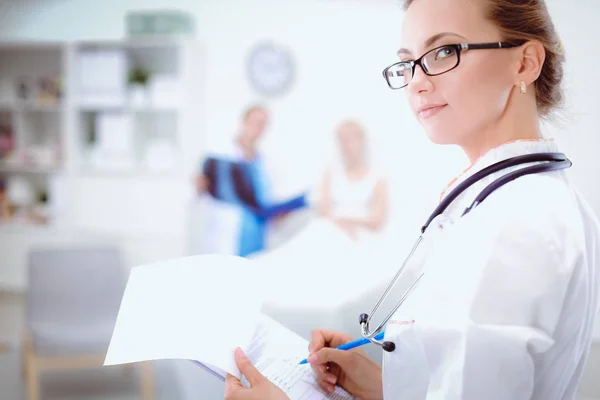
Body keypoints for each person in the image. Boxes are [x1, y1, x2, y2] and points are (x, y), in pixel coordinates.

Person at [223, 0, 600, 399]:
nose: (417, 82)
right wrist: (382, 386)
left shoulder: (513, 224)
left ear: (524, 63)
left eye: (444, 52)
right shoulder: (532, 199)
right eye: (408, 63)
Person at [195, 104, 283, 258]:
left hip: (258, 234)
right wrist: (199, 187)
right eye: (255, 122)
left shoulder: (265, 161)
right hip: (228, 233)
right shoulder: (220, 153)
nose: (258, 128)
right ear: (244, 121)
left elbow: (267, 198)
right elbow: (202, 193)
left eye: (263, 124)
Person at [318, 120, 388, 241]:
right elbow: (324, 213)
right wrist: (339, 226)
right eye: (342, 140)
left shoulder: (377, 178)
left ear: (362, 141)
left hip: (362, 237)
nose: (347, 146)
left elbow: (377, 220)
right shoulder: (330, 175)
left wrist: (347, 222)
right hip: (331, 233)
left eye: (351, 139)